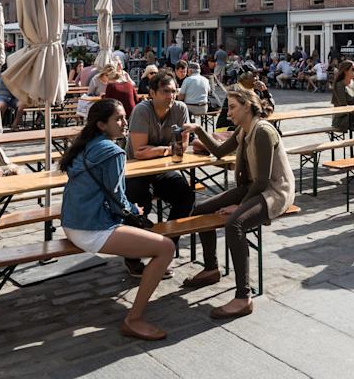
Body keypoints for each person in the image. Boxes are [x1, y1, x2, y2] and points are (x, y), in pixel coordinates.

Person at [60, 99, 174, 341]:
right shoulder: (113, 151)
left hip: (71, 223)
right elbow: (117, 199)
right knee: (166, 248)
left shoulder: (84, 145)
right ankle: (133, 319)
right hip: (92, 228)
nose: (125, 123)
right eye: (119, 119)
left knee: (154, 237)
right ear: (101, 124)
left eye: (125, 117)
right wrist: (135, 209)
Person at [180, 87, 295, 319]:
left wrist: (239, 205)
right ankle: (211, 268)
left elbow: (263, 180)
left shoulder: (262, 131)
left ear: (247, 106)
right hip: (253, 188)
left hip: (274, 191)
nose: (228, 112)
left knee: (234, 224)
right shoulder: (244, 130)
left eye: (232, 107)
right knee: (201, 209)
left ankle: (243, 296)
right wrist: (199, 130)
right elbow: (220, 151)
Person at [123, 71, 194, 276]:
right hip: (136, 170)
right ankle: (132, 256)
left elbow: (183, 146)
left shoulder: (180, 109)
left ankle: (166, 248)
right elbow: (139, 152)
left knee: (186, 195)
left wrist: (157, 150)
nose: (171, 96)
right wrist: (167, 149)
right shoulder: (142, 110)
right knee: (138, 201)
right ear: (152, 93)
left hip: (162, 169)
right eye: (165, 91)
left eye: (173, 91)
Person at [330, 61, 354, 134]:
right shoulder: (340, 85)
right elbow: (343, 105)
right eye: (353, 69)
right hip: (342, 118)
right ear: (345, 71)